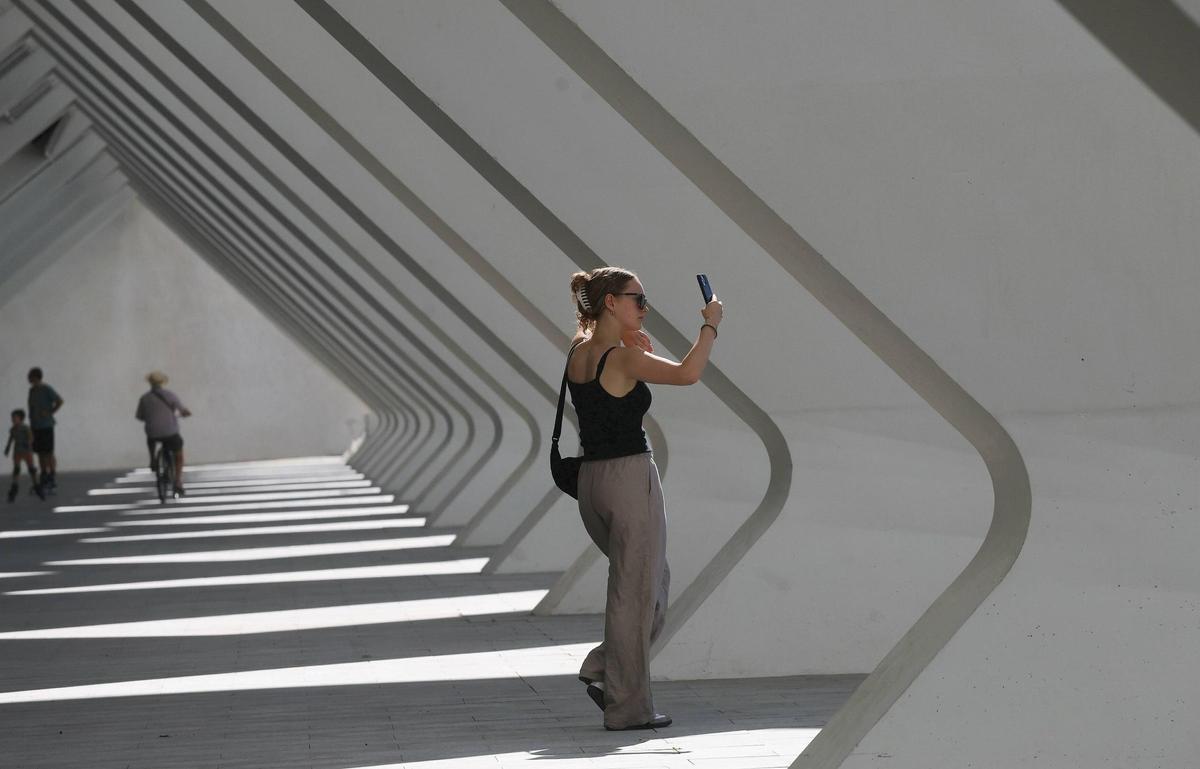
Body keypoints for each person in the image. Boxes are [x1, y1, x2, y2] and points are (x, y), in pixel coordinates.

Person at [565, 266, 723, 731]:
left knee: (645, 585)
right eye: (638, 299)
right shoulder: (622, 359)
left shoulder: (579, 350)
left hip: (590, 481)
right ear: (611, 302)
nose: (644, 307)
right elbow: (688, 373)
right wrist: (711, 322)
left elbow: (603, 380)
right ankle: (628, 707)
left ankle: (605, 669)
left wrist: (629, 341)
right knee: (637, 593)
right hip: (630, 479)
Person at [135, 371, 192, 496]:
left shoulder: (144, 398)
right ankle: (177, 481)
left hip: (153, 432)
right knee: (179, 453)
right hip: (170, 432)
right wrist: (185, 413)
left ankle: (152, 460)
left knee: (151, 439)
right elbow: (182, 410)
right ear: (163, 382)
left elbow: (139, 417)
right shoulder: (170, 395)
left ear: (150, 383)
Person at [26, 367, 63, 492]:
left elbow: (59, 401)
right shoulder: (32, 391)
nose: (28, 379)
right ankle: (44, 476)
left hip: (46, 426)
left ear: (35, 377)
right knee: (40, 453)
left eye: (29, 376)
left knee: (48, 452)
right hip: (35, 427)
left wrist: (49, 412)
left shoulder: (46, 389)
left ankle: (52, 477)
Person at [5, 409, 44, 502]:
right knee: (16, 469)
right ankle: (14, 487)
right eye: (12, 418)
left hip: (26, 452)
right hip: (17, 451)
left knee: (32, 469)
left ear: (20, 418)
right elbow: (11, 439)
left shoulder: (25, 428)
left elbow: (31, 437)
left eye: (15, 418)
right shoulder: (13, 429)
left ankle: (37, 486)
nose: (13, 419)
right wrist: (7, 448)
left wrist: (29, 443)